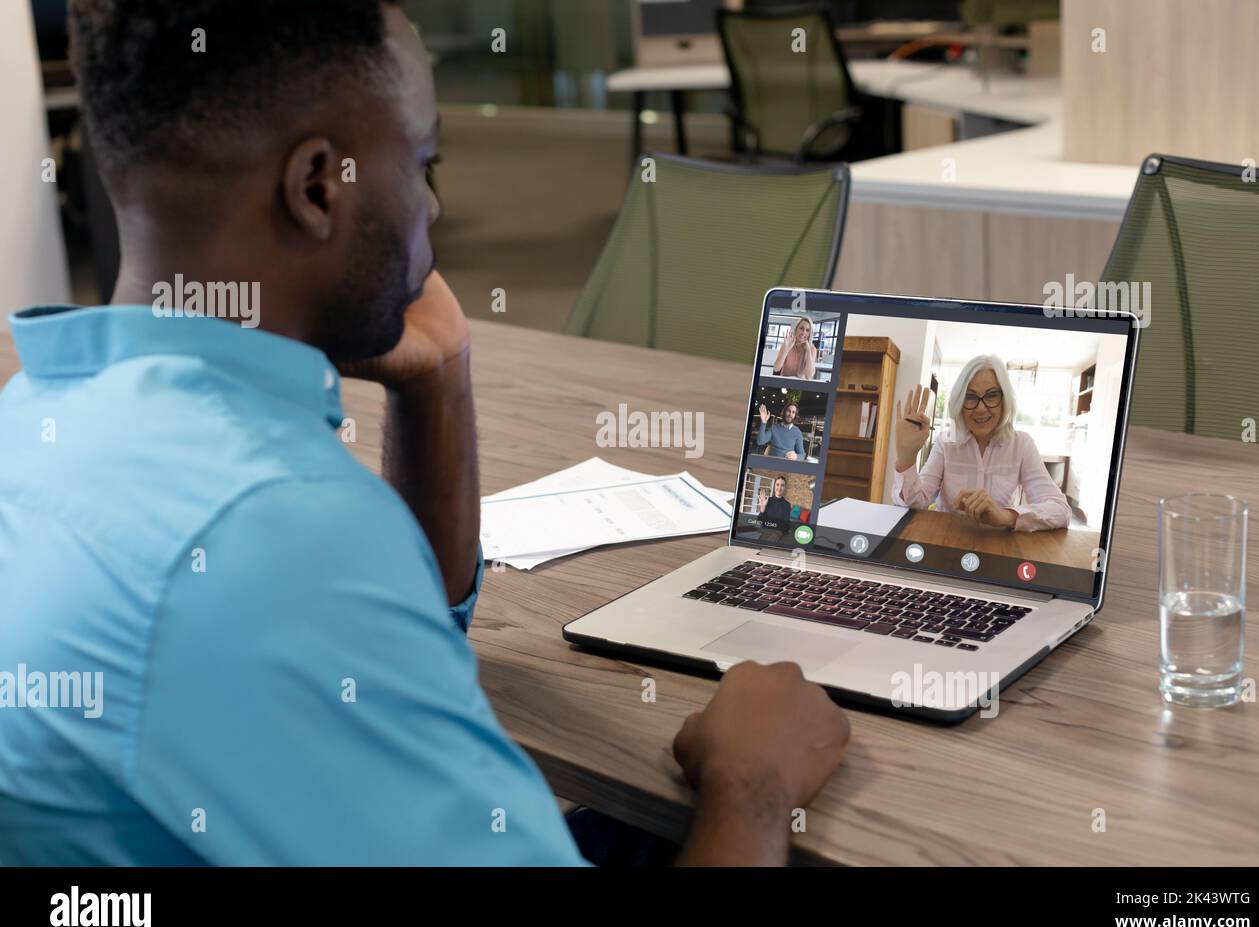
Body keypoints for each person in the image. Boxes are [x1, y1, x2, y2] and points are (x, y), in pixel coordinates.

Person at [0, 0, 849, 867]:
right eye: (424, 159)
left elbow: (400, 661)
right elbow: (316, 610)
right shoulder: (276, 528)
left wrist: (437, 380)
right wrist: (755, 785)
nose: (433, 207)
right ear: (319, 187)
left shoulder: (34, 425)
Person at [891, 355, 1070, 531]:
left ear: (1004, 400)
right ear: (960, 403)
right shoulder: (946, 442)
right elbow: (915, 505)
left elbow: (1061, 510)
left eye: (991, 396)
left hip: (997, 544)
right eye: (970, 397)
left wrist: (1006, 516)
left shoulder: (1022, 444)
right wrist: (906, 458)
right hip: (948, 540)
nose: (981, 408)